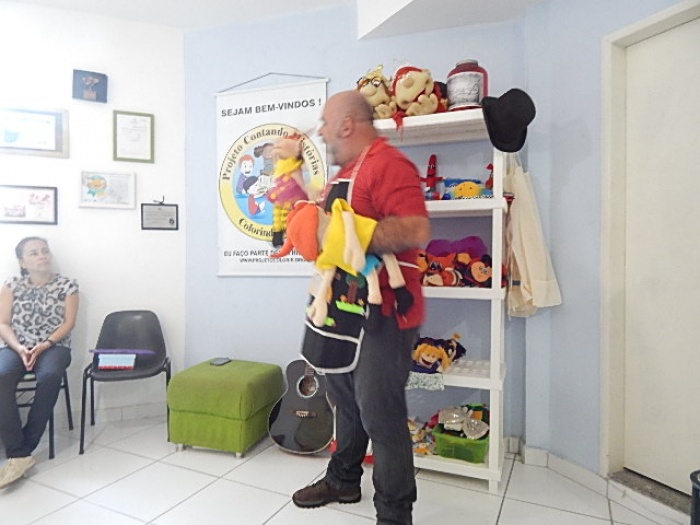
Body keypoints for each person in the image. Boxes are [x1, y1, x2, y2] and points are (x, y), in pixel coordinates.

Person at [291, 91, 430, 525]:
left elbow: (416, 228)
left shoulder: (389, 165)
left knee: (380, 414)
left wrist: (347, 236)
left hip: (383, 314)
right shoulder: (346, 172)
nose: (321, 131)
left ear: (347, 125)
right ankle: (343, 479)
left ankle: (394, 513)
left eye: (325, 122)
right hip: (341, 311)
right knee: (344, 402)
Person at [0, 237, 79, 489]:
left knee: (49, 376)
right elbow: (3, 323)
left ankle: (23, 449)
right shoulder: (11, 285)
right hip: (17, 346)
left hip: (54, 346)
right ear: (22, 262)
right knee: (1, 375)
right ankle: (18, 452)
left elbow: (68, 323)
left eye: (45, 251)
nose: (42, 256)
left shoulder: (67, 285)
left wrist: (44, 345)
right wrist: (19, 347)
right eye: (33, 253)